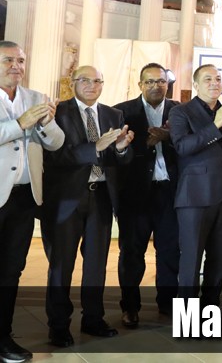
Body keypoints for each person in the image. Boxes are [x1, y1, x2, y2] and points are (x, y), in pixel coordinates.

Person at [43, 65, 134, 346]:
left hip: (102, 197)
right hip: (66, 199)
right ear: (72, 83)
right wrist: (95, 147)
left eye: (97, 81)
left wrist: (121, 149)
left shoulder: (113, 115)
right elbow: (54, 155)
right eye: (84, 80)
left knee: (96, 264)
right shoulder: (57, 112)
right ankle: (59, 325)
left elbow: (120, 160)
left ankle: (93, 318)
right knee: (61, 266)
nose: (91, 85)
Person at [169, 64, 222, 308]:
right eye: (208, 79)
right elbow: (182, 147)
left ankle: (210, 308)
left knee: (219, 259)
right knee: (191, 259)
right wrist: (215, 125)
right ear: (196, 85)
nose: (214, 83)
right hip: (195, 198)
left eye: (218, 79)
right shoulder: (181, 112)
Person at [0, 41, 63, 361]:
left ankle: (3, 336)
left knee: (12, 270)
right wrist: (19, 124)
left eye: (21, 60)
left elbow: (56, 143)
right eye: (8, 60)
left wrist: (47, 123)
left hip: (25, 197)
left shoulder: (37, 97)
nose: (16, 66)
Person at [113, 63, 179, 328]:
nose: (156, 86)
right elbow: (115, 151)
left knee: (170, 252)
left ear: (167, 84)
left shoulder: (179, 110)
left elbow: (189, 143)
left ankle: (168, 304)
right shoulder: (122, 111)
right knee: (131, 253)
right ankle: (130, 307)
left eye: (161, 81)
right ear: (140, 84)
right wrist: (142, 142)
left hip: (170, 192)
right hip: (135, 194)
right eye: (149, 82)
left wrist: (167, 136)